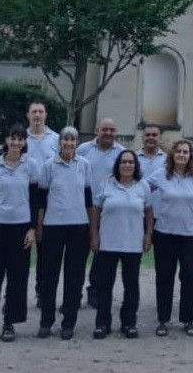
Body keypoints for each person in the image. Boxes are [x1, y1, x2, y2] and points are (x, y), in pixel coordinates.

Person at [0, 124, 39, 344]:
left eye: (20, 139)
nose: (16, 143)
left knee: (17, 277)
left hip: (21, 227)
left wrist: (32, 228)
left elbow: (34, 199)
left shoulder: (30, 166)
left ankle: (10, 322)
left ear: (24, 143)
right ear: (7, 140)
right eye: (13, 139)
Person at [147, 139, 193, 337]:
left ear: (190, 155)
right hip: (164, 234)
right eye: (178, 151)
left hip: (190, 235)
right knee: (164, 277)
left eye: (186, 152)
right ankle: (163, 319)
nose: (182, 155)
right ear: (172, 155)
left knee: (191, 277)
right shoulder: (161, 176)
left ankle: (188, 319)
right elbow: (139, 188)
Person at [37, 126, 93, 340]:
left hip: (79, 226)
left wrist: (92, 228)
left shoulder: (84, 165)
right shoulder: (49, 166)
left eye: (73, 140)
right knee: (49, 275)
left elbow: (88, 197)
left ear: (77, 143)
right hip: (53, 226)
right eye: (65, 140)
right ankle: (46, 321)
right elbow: (41, 198)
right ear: (59, 142)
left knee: (74, 276)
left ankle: (69, 322)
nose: (69, 144)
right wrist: (40, 226)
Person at [90, 150, 153, 339]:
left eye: (131, 162)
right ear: (118, 165)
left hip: (132, 244)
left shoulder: (143, 186)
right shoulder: (106, 184)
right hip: (108, 243)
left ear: (136, 165)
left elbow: (149, 212)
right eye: (124, 162)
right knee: (104, 286)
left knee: (131, 285)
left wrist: (148, 234)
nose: (127, 165)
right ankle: (102, 323)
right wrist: (94, 235)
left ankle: (129, 323)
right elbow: (96, 211)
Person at [77, 118, 125, 307]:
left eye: (111, 130)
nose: (108, 133)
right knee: (79, 255)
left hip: (107, 212)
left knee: (101, 255)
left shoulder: (121, 153)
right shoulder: (83, 150)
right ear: (97, 130)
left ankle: (95, 290)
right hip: (82, 209)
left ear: (116, 132)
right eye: (104, 129)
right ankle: (74, 293)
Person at [25, 100, 59, 309]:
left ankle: (42, 290)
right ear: (28, 115)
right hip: (25, 196)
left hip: (47, 197)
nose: (37, 115)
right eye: (34, 112)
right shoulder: (21, 138)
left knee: (45, 249)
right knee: (21, 246)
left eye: (40, 112)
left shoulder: (55, 139)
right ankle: (12, 295)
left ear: (46, 115)